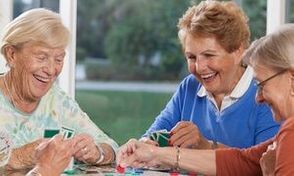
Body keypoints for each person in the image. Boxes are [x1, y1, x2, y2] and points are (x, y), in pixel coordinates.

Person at [117, 23, 294, 175]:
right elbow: (243, 161)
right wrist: (155, 153)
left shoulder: (290, 133)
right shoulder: (287, 132)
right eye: (191, 57)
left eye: (262, 85)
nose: (258, 96)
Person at [142, 0, 279, 149]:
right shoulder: (190, 87)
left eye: (209, 55)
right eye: (191, 57)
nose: (199, 68)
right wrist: (140, 146)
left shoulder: (265, 93)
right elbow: (150, 139)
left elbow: (266, 166)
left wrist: (206, 147)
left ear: (238, 51)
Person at [0, 8, 118, 171]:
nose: (51, 69)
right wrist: (23, 156)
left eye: (58, 59)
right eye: (41, 57)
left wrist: (97, 152)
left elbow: (112, 148)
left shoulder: (57, 100)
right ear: (11, 54)